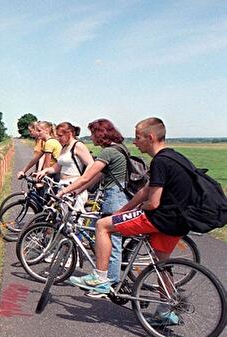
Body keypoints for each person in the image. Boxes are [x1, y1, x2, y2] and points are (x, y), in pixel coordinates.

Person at [71, 118, 194, 324]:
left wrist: (138, 210)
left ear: (151, 137)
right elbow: (146, 190)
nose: (135, 142)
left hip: (160, 218)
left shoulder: (160, 161)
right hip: (179, 222)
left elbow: (152, 202)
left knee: (102, 226)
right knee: (161, 264)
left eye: (138, 137)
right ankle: (166, 311)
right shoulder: (175, 157)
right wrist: (122, 211)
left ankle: (100, 278)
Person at [61, 118, 129, 285]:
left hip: (114, 199)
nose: (91, 137)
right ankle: (108, 278)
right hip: (117, 197)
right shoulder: (119, 149)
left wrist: (64, 191)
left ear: (100, 134)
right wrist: (77, 191)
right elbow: (98, 176)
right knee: (108, 237)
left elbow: (86, 176)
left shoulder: (108, 152)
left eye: (92, 133)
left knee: (112, 241)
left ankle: (109, 281)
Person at [35, 122, 93, 212]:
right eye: (57, 136)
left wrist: (83, 181)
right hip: (63, 185)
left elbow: (91, 164)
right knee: (64, 217)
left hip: (74, 185)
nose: (58, 138)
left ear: (69, 134)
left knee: (74, 219)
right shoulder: (65, 147)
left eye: (60, 135)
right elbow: (57, 167)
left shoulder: (78, 145)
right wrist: (44, 171)